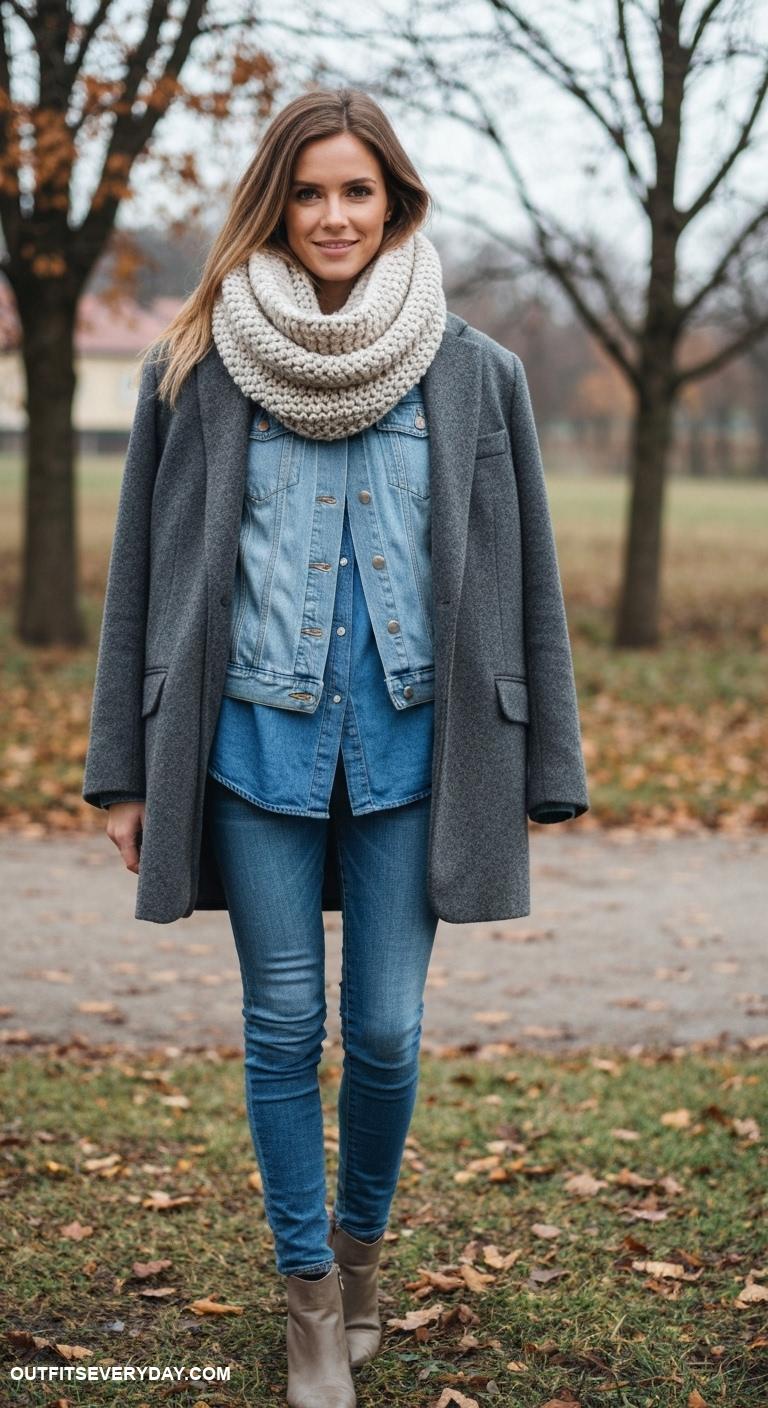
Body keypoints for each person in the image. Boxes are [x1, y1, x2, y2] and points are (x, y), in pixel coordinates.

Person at [83, 86, 589, 1408]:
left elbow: (525, 580)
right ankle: (309, 1304)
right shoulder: (193, 365)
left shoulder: (478, 372)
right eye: (308, 192)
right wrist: (124, 770)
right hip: (250, 746)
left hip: (418, 757)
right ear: (276, 204)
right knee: (279, 1025)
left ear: (396, 202)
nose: (331, 216)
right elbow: (142, 577)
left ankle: (361, 1260)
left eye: (356, 191)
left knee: (384, 1033)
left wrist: (551, 765)